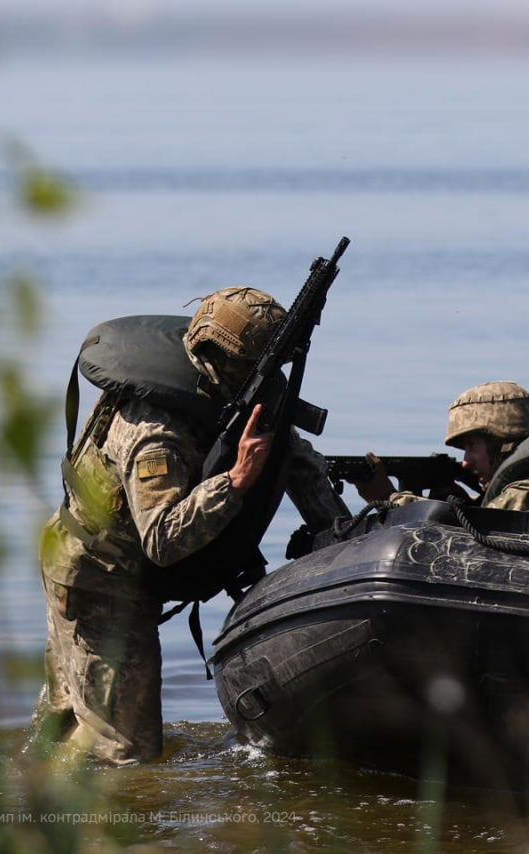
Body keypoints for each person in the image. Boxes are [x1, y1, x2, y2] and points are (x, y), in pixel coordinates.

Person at [32, 286, 348, 765]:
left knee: (70, 721)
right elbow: (161, 539)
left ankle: (29, 803)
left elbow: (296, 460)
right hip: (97, 580)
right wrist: (236, 481)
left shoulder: (233, 395)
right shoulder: (155, 433)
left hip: (91, 564)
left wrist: (346, 532)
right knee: (126, 753)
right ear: (224, 357)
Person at [353, 381, 529, 518]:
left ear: (502, 443)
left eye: (471, 446)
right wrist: (459, 499)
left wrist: (389, 498)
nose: (465, 461)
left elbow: (476, 528)